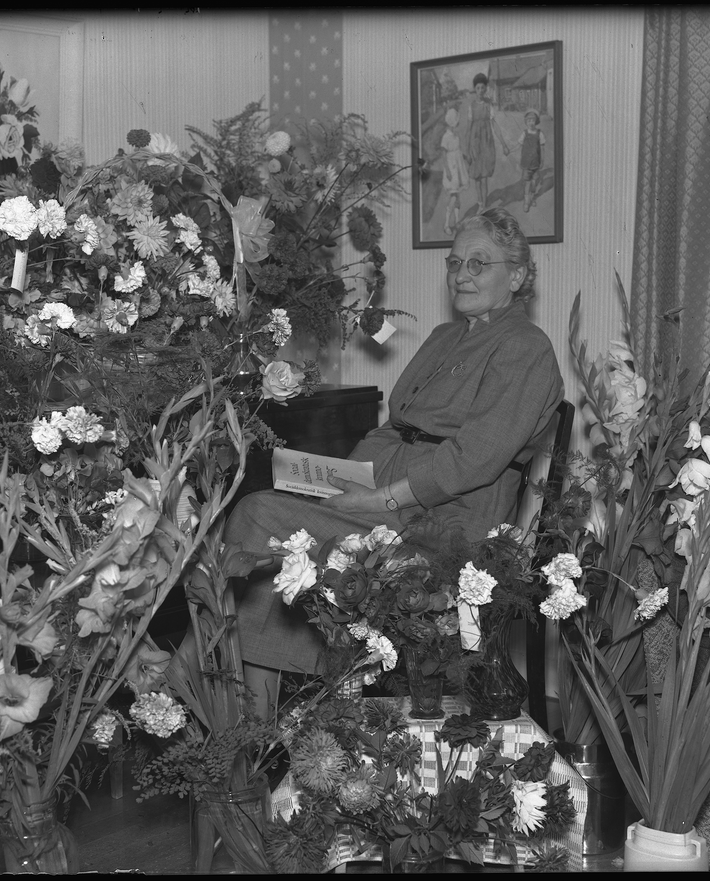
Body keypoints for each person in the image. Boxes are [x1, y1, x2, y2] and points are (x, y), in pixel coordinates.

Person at [224, 208, 565, 715]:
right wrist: (341, 481)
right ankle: (254, 713)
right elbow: (393, 427)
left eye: (479, 263)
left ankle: (243, 711)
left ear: (516, 277)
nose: (462, 274)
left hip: (443, 527)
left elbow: (471, 462)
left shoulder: (526, 348)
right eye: (455, 263)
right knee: (265, 508)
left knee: (259, 515)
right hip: (386, 500)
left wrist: (375, 500)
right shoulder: (444, 337)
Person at [464, 73, 510, 213]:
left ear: (485, 89)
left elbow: (494, 125)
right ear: (475, 89)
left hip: (486, 144)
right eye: (478, 88)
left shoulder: (489, 106)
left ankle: (483, 206)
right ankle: (480, 202)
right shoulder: (471, 107)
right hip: (475, 145)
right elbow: (468, 130)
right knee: (476, 177)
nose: (480, 91)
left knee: (484, 177)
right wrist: (467, 151)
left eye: (482, 88)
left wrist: (504, 144)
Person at [439, 107, 467, 236]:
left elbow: (458, 151)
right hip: (451, 169)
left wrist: (466, 157)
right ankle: (446, 224)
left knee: (458, 196)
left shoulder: (455, 136)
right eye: (456, 123)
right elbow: (444, 155)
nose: (458, 125)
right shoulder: (446, 137)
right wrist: (448, 171)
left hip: (459, 168)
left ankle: (456, 221)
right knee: (453, 196)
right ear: (452, 123)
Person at [518, 110, 547, 212]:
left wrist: (542, 161)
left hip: (535, 163)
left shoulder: (539, 133)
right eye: (529, 120)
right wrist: (510, 150)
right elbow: (519, 145)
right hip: (526, 163)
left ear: (536, 121)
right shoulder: (524, 133)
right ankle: (526, 202)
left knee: (534, 183)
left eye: (533, 120)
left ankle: (533, 197)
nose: (531, 123)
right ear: (526, 122)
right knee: (527, 183)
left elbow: (542, 148)